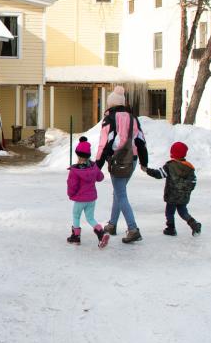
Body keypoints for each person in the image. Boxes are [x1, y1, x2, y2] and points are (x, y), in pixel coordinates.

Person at [95, 85, 148, 244]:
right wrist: (144, 162)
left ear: (110, 104)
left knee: (121, 194)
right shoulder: (133, 118)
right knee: (119, 192)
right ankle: (112, 224)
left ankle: (133, 229)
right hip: (132, 159)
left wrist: (97, 165)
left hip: (117, 161)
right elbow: (141, 141)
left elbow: (104, 143)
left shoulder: (109, 119)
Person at [143, 141, 202, 236]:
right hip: (183, 197)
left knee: (169, 212)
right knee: (183, 212)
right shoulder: (189, 167)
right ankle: (194, 225)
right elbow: (193, 182)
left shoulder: (170, 166)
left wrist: (147, 170)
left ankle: (171, 228)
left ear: (173, 153)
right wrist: (185, 191)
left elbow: (159, 174)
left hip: (172, 196)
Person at [66, 137, 111, 248]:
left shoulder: (75, 171)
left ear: (78, 155)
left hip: (80, 199)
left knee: (76, 216)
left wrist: (71, 194)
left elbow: (72, 185)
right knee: (90, 218)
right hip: (91, 198)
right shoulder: (93, 166)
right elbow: (100, 177)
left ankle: (76, 237)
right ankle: (101, 233)